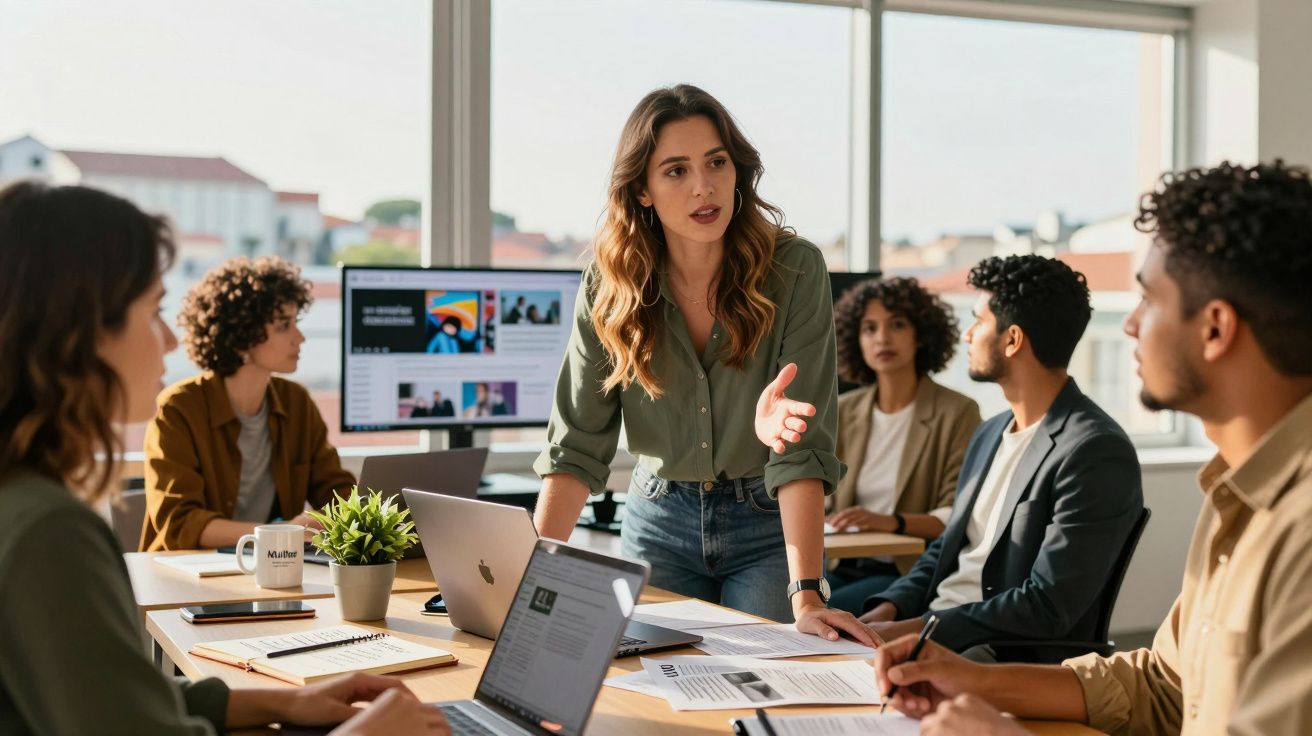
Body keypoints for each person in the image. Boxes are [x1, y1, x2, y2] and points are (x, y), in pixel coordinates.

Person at [873, 161, 1312, 735]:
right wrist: (971, 680)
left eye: (1148, 300)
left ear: (1215, 328)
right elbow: (1163, 685)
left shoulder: (1299, 530)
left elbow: (1050, 604)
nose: (1129, 325)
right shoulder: (1234, 497)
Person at [0, 181, 449, 734]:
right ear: (76, 330)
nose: (168, 340)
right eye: (151, 311)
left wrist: (287, 703)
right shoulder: (48, 531)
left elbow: (121, 699)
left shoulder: (24, 504)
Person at [531, 84, 872, 644]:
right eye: (675, 171)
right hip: (657, 520)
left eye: (716, 162)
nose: (704, 186)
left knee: (765, 692)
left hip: (765, 523)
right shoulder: (608, 285)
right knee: (657, 696)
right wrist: (532, 577)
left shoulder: (795, 270)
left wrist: (807, 593)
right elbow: (576, 445)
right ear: (641, 189)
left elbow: (801, 449)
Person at [858, 255, 1143, 663]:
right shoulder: (990, 432)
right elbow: (948, 547)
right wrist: (887, 610)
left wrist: (914, 630)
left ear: (1012, 340)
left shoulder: (1094, 451)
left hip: (997, 653)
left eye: (978, 321)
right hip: (933, 632)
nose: (968, 336)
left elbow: (1047, 606)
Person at [141, 257, 355, 551]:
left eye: (296, 322)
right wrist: (283, 532)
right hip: (184, 583)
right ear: (241, 336)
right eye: (283, 325)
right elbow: (180, 526)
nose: (300, 337)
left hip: (273, 572)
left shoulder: (297, 403)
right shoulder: (179, 408)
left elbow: (339, 496)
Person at [824, 277, 982, 614]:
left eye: (897, 324)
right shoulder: (843, 410)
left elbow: (957, 513)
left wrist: (889, 521)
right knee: (786, 603)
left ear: (921, 334)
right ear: (856, 340)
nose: (882, 338)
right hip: (839, 562)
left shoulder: (957, 412)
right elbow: (824, 500)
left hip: (908, 570)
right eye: (869, 328)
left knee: (830, 611)